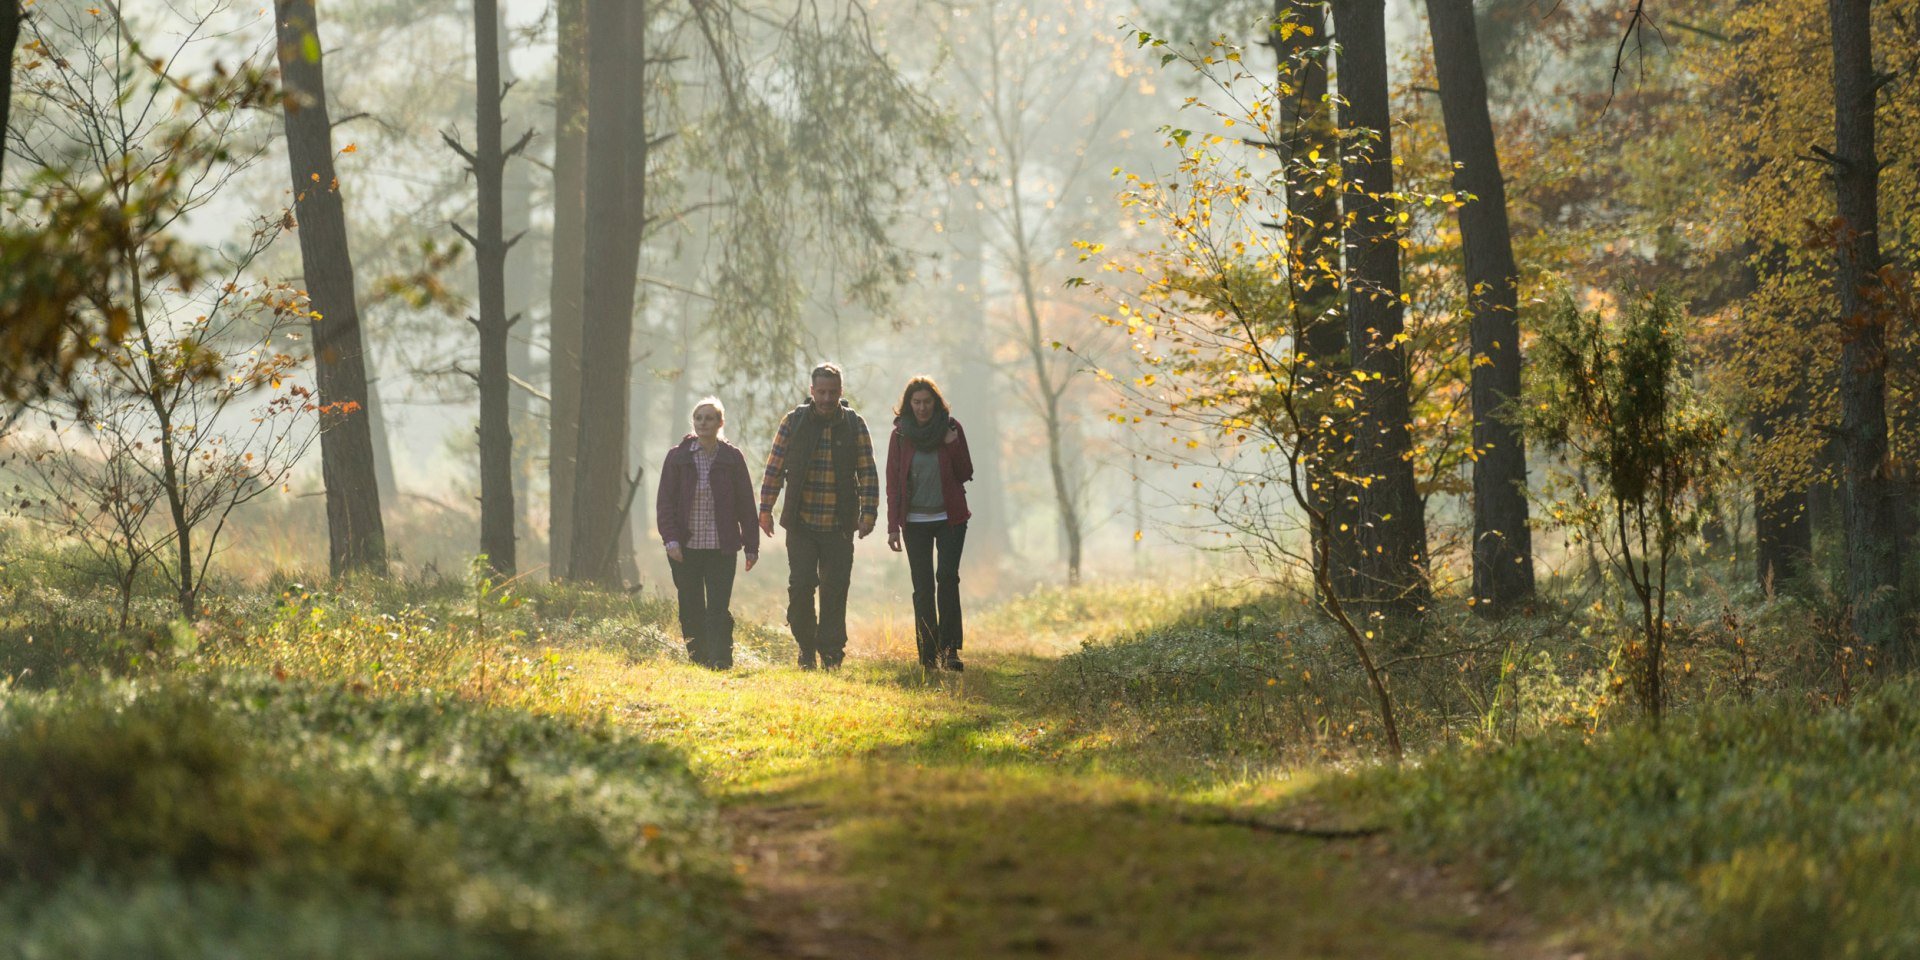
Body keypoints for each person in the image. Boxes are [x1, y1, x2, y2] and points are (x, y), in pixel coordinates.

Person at [758, 363, 879, 670]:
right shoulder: (793, 422)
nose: (826, 398)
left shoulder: (854, 425)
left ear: (841, 391)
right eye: (821, 392)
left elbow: (867, 471)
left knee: (835, 589)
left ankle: (831, 652)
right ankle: (806, 645)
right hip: (801, 522)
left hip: (839, 524)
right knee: (800, 587)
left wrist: (869, 513)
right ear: (811, 391)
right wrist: (766, 508)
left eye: (832, 392)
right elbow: (774, 468)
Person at [656, 397, 758, 669]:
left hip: (721, 547)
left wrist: (751, 545)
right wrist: (671, 540)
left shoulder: (732, 458)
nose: (703, 423)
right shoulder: (678, 457)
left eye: (709, 418)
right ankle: (698, 658)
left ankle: (721, 658)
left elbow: (746, 503)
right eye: (699, 418)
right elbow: (665, 502)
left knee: (718, 607)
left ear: (720, 423)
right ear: (694, 422)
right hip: (685, 547)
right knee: (690, 606)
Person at [884, 376, 973, 671]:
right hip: (914, 522)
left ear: (936, 403)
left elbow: (965, 472)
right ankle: (927, 654)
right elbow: (893, 483)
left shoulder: (951, 428)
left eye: (927, 402)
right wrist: (892, 526)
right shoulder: (900, 436)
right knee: (922, 587)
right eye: (916, 402)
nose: (922, 408)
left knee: (947, 579)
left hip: (950, 519)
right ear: (909, 404)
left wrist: (952, 446)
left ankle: (950, 651)